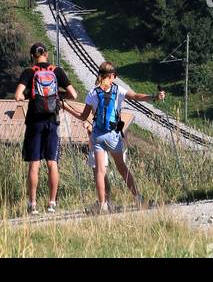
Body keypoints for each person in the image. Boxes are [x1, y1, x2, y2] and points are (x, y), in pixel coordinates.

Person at [78, 61, 165, 213]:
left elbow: (84, 116)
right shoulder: (118, 90)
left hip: (97, 135)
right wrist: (154, 97)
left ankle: (103, 204)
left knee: (99, 170)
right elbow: (136, 96)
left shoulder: (93, 92)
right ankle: (138, 199)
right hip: (113, 135)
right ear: (113, 76)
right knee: (122, 168)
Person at [15, 42, 79, 213]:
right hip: (53, 120)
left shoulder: (29, 72)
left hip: (35, 122)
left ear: (32, 56)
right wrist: (57, 94)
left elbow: (18, 96)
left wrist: (30, 95)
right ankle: (52, 203)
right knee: (52, 162)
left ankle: (32, 204)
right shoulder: (57, 71)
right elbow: (74, 94)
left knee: (34, 163)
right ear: (47, 54)